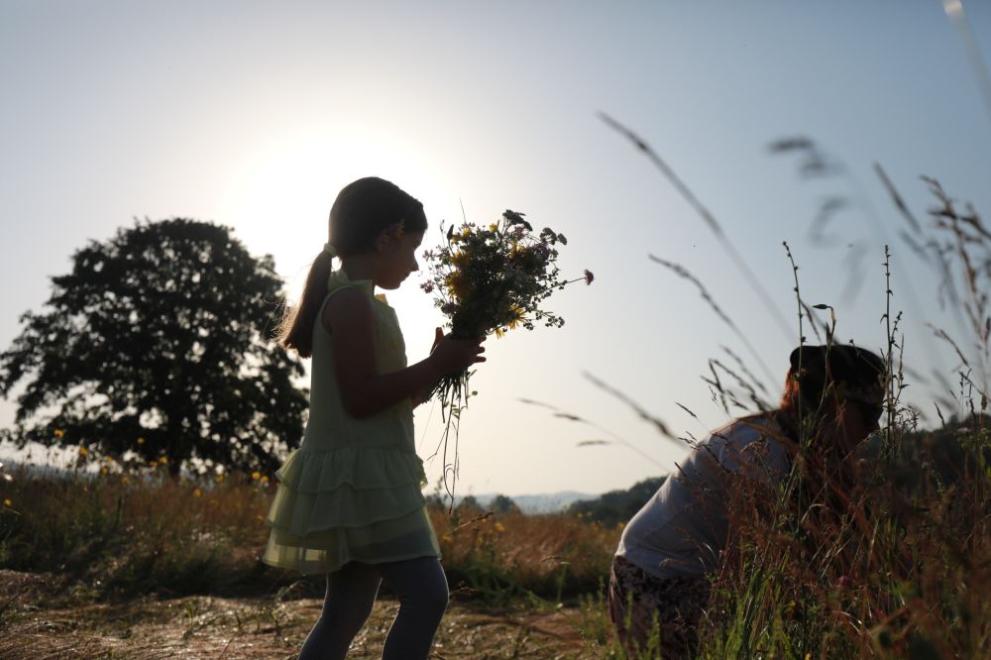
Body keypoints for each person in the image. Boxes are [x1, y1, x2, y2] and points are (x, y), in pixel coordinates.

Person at [262, 177, 486, 659]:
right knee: (427, 595)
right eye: (413, 248)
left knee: (345, 612)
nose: (415, 263)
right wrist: (436, 365)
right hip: (365, 478)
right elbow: (362, 399)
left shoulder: (357, 300)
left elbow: (385, 402)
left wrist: (438, 366)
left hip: (359, 474)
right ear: (387, 237)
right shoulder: (351, 303)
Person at [608, 343, 886, 659]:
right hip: (653, 575)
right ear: (833, 404)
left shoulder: (815, 454)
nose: (875, 427)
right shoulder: (759, 447)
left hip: (700, 577)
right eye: (869, 414)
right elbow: (751, 565)